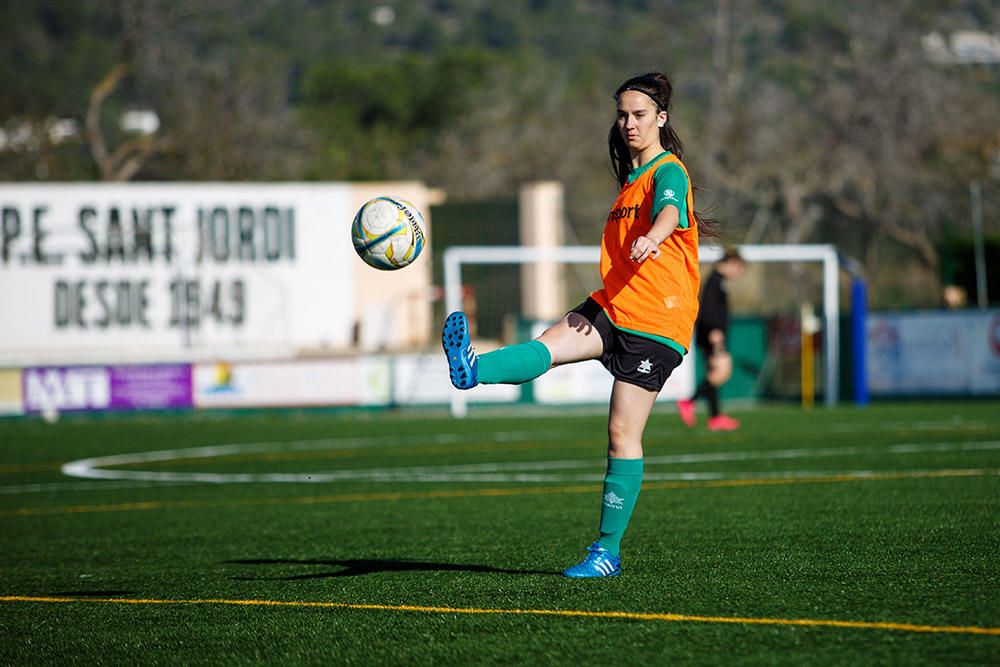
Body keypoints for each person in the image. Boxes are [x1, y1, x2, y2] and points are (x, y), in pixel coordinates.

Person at [442, 72, 714, 578]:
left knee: (620, 433)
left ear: (661, 118)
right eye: (622, 114)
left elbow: (671, 211)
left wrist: (655, 236)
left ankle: (606, 552)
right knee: (547, 346)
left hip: (658, 320)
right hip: (615, 304)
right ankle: (473, 369)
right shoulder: (628, 182)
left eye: (639, 115)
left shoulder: (667, 170)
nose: (629, 123)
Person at [676, 248, 746, 431]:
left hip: (710, 333)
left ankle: (715, 417)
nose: (738, 274)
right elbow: (707, 308)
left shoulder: (718, 280)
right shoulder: (714, 281)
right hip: (712, 334)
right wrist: (714, 331)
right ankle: (689, 402)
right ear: (731, 263)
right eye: (739, 269)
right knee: (722, 371)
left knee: (714, 372)